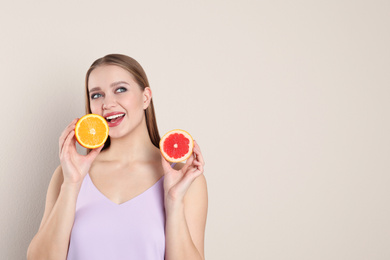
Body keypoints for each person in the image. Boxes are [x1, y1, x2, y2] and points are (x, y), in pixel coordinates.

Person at [27, 54, 208, 260]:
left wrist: (174, 202)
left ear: (145, 97)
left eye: (120, 90)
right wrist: (72, 184)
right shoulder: (68, 174)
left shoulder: (185, 178)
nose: (107, 103)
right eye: (96, 95)